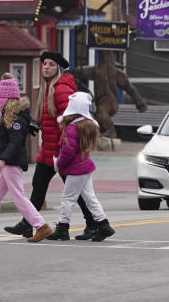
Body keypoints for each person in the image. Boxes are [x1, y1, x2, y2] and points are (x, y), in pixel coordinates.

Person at [4, 50, 97, 240]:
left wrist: (64, 147)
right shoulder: (49, 87)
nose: (46, 67)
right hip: (50, 147)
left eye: (51, 64)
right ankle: (28, 224)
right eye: (44, 63)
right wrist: (37, 124)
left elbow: (69, 119)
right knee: (40, 185)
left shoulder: (61, 88)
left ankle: (93, 224)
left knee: (74, 191)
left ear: (59, 69)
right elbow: (52, 117)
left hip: (60, 149)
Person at [0, 74, 53, 242]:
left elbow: (15, 142)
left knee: (18, 197)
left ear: (7, 98)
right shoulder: (6, 116)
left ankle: (41, 226)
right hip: (5, 165)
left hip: (11, 164)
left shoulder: (17, 118)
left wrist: (2, 159)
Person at [46, 92, 115, 242]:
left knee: (67, 199)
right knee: (90, 198)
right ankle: (103, 225)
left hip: (75, 169)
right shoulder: (86, 126)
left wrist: (58, 163)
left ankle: (62, 229)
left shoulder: (72, 128)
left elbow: (67, 152)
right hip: (85, 167)